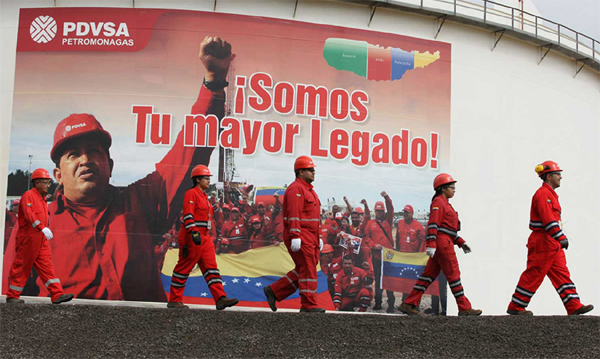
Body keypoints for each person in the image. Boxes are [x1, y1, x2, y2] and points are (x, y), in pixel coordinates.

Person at [2, 36, 234, 302]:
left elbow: (188, 153)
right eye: (73, 154)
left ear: (110, 166)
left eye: (94, 151)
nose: (85, 160)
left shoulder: (141, 202)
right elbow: (12, 299)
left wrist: (213, 82)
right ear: (58, 176)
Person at [506, 161, 594, 316]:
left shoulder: (550, 195)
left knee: (562, 273)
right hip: (544, 241)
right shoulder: (543, 195)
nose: (560, 177)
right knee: (534, 273)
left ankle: (573, 305)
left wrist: (558, 238)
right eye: (557, 174)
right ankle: (516, 305)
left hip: (552, 241)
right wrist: (560, 236)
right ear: (548, 177)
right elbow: (548, 219)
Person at [399, 174, 482, 316]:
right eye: (452, 187)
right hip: (443, 245)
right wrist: (431, 244)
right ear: (443, 188)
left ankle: (408, 303)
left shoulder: (444, 203)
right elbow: (433, 224)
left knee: (428, 276)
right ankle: (464, 307)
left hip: (443, 242)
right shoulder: (438, 203)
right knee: (453, 274)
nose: (454, 190)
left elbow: (446, 228)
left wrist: (460, 242)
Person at [167, 165, 238, 310]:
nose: (208, 181)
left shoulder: (204, 197)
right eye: (206, 178)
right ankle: (174, 300)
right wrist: (193, 232)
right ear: (197, 179)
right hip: (192, 237)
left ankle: (220, 298)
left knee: (212, 268)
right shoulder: (191, 194)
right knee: (184, 267)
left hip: (204, 237)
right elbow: (188, 215)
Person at [263, 155, 325, 313]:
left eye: (313, 170)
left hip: (311, 237)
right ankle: (308, 305)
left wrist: (318, 236)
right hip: (301, 235)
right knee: (309, 269)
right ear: (300, 172)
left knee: (304, 269)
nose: (313, 172)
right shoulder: (295, 190)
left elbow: (312, 217)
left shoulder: (310, 190)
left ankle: (274, 291)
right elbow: (294, 215)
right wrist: (296, 235)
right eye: (310, 170)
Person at [5, 169, 74, 304]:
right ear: (37, 183)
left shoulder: (42, 199)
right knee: (22, 266)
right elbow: (29, 214)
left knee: (46, 266)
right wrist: (41, 227)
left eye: (48, 183)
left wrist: (42, 229)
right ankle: (12, 296)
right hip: (28, 239)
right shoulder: (28, 196)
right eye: (45, 183)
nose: (48, 185)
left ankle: (57, 294)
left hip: (39, 239)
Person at [362, 192, 395, 312]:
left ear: (384, 212)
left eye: (381, 211)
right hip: (376, 257)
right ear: (374, 211)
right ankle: (378, 303)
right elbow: (366, 237)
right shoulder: (371, 223)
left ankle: (391, 304)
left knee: (389, 280)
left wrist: (386, 197)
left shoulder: (388, 221)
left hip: (388, 257)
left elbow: (391, 208)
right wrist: (374, 245)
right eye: (377, 211)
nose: (379, 213)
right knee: (378, 280)